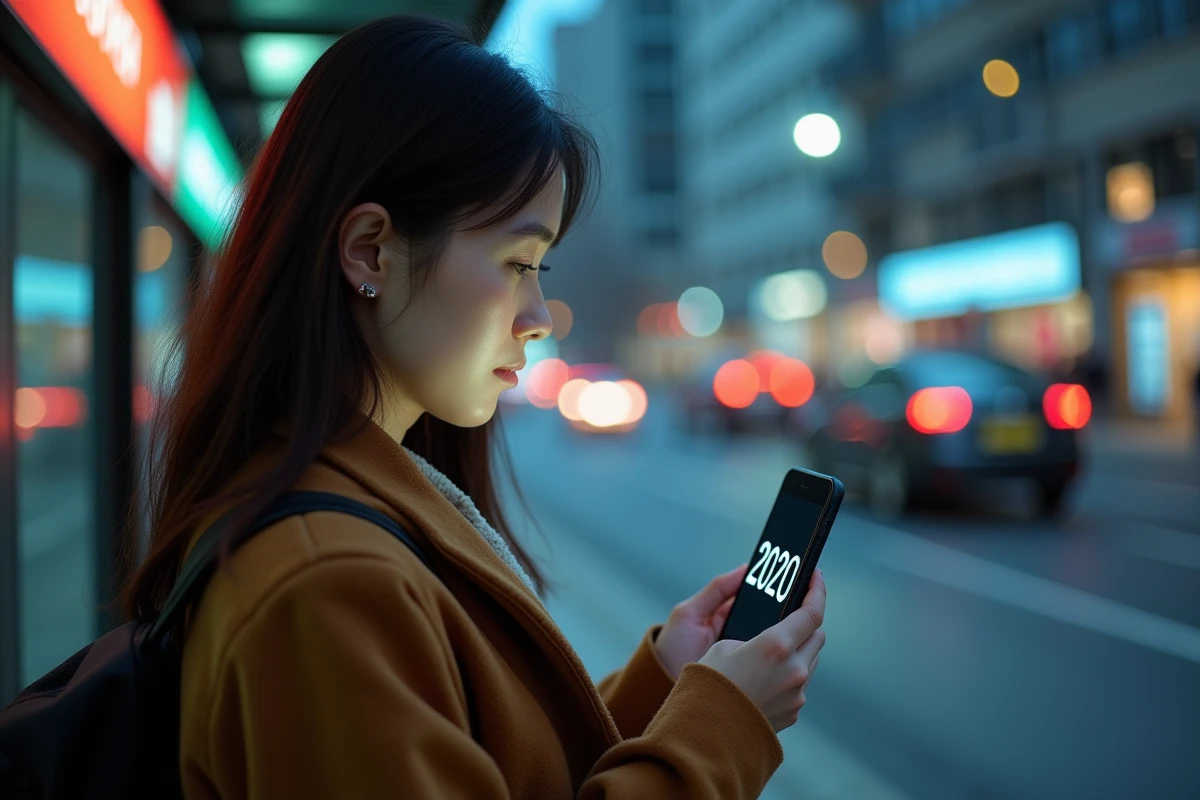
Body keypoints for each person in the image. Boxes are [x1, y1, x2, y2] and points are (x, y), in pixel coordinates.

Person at [119, 16, 827, 799]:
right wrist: (723, 725)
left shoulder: (351, 502)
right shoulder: (325, 583)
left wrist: (665, 681)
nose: (541, 314)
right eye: (518, 262)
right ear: (370, 252)